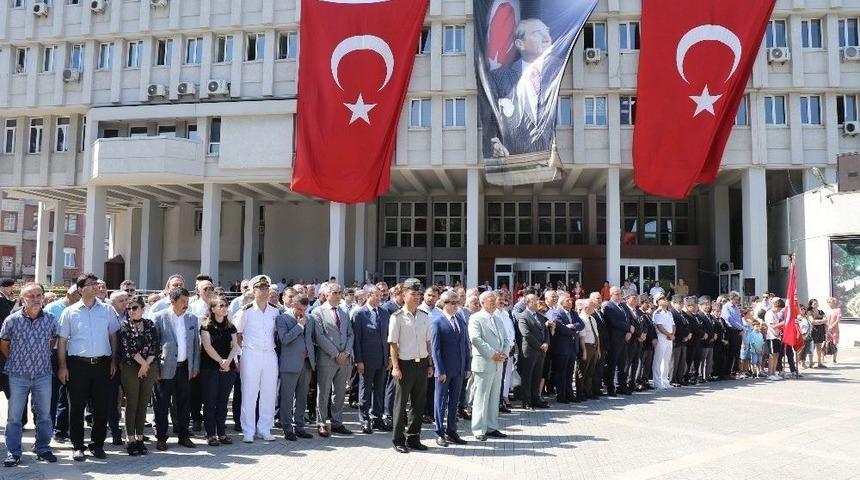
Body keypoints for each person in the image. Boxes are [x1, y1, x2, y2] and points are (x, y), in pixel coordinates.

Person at [57, 273, 119, 462]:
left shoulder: (107, 310)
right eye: (91, 284)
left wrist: (113, 361)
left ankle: (97, 444)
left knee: (101, 407)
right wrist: (62, 367)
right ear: (80, 289)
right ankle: (78, 446)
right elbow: (62, 341)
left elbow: (113, 337)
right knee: (76, 407)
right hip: (77, 366)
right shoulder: (70, 312)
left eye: (96, 283)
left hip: (102, 364)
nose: (95, 286)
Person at [482, 18, 560, 158]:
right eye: (537, 33)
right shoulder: (499, 78)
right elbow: (490, 118)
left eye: (547, 31)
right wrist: (494, 144)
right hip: (515, 160)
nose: (546, 38)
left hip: (554, 158)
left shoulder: (560, 69)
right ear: (520, 44)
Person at [1, 283, 57, 466]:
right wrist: (16, 359)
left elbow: (53, 340)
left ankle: (43, 448)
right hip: (17, 375)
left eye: (38, 295)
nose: (35, 299)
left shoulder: (50, 319)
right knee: (14, 417)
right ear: (22, 299)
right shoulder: (12, 320)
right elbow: (4, 344)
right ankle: (14, 452)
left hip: (43, 374)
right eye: (31, 296)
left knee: (44, 415)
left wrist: (40, 355)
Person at [152, 287, 200, 450]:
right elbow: (154, 346)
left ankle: (184, 436)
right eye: (183, 301)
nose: (186, 305)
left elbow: (196, 345)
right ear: (173, 301)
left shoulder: (192, 318)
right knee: (162, 404)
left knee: (184, 404)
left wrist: (194, 366)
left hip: (185, 367)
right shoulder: (159, 317)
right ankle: (161, 437)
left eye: (188, 301)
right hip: (165, 368)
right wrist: (155, 369)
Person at [388, 278, 432, 453]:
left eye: (418, 294)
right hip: (404, 365)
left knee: (418, 404)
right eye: (413, 294)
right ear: (404, 295)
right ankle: (398, 439)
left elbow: (427, 342)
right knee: (400, 404)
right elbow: (393, 344)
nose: (416, 297)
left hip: (421, 363)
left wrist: (430, 364)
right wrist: (395, 367)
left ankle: (413, 438)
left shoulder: (424, 316)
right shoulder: (397, 317)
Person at [235, 275, 280, 443]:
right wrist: (238, 357)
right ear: (254, 291)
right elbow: (237, 334)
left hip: (269, 353)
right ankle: (248, 430)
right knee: (249, 392)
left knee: (269, 392)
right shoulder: (246, 311)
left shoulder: (275, 310)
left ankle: (264, 428)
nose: (265, 291)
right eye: (261, 288)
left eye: (267, 288)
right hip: (251, 353)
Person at [116, 296, 159, 456]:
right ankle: (130, 438)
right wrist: (143, 365)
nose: (131, 311)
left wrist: (146, 365)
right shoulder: (125, 325)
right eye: (129, 308)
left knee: (143, 403)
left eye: (134, 308)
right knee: (132, 403)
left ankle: (140, 437)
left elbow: (155, 346)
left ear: (142, 308)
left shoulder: (150, 324)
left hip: (149, 366)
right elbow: (129, 348)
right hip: (131, 367)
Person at [311, 282, 355, 438]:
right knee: (324, 392)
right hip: (328, 358)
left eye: (339, 292)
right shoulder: (318, 312)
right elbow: (319, 336)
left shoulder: (343, 312)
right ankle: (322, 422)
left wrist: (346, 352)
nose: (338, 295)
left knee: (340, 392)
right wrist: (336, 354)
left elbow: (350, 334)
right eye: (334, 293)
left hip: (344, 358)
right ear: (326, 294)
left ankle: (337, 422)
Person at [428, 290, 470, 447]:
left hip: (459, 369)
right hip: (444, 370)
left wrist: (467, 366)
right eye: (453, 303)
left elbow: (465, 345)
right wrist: (440, 370)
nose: (456, 306)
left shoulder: (460, 319)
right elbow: (436, 349)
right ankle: (439, 432)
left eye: (457, 303)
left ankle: (452, 431)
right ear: (444, 304)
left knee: (454, 402)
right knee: (440, 401)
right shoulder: (437, 321)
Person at [467, 290, 510, 441]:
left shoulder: (497, 319)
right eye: (490, 300)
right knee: (481, 397)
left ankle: (492, 427)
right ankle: (479, 429)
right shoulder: (475, 318)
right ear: (482, 302)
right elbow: (476, 339)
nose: (494, 302)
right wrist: (492, 354)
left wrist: (504, 353)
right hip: (484, 362)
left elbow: (506, 339)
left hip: (498, 363)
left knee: (494, 396)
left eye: (494, 300)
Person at [200, 298, 240, 446]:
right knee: (210, 402)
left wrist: (228, 361)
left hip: (228, 368)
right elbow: (207, 347)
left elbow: (235, 346)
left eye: (226, 305)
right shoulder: (206, 326)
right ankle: (211, 434)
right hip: (210, 368)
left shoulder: (231, 326)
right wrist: (221, 361)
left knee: (222, 402)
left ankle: (222, 432)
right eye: (221, 305)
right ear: (213, 309)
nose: (224, 308)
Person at [351, 286, 390, 434]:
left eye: (381, 295)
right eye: (377, 295)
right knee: (365, 391)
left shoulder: (384, 313)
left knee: (379, 391)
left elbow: (388, 337)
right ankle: (364, 420)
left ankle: (377, 418)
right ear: (369, 296)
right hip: (366, 360)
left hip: (382, 359)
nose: (380, 298)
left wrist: (389, 357)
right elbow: (357, 340)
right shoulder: (360, 314)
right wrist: (359, 360)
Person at [276, 294, 315, 441]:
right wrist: (299, 326)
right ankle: (287, 428)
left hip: (306, 363)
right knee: (287, 398)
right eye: (299, 309)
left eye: (304, 309)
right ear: (292, 304)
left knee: (302, 396)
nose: (301, 312)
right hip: (290, 364)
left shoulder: (309, 318)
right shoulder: (282, 318)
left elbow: (310, 339)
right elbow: (284, 339)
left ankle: (300, 427)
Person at [514, 293, 549, 408]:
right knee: (527, 377)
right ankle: (526, 401)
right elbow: (526, 334)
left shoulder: (540, 316)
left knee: (537, 376)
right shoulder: (523, 316)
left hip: (541, 352)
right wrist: (540, 345)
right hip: (529, 351)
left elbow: (545, 331)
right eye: (534, 301)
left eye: (537, 300)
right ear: (527, 303)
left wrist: (546, 343)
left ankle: (535, 399)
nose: (537, 302)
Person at [547, 291, 582, 403]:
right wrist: (573, 330)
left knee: (569, 372)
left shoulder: (573, 313)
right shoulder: (557, 313)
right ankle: (561, 395)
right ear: (562, 302)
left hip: (572, 347)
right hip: (561, 348)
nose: (571, 301)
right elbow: (561, 329)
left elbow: (581, 324)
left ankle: (569, 393)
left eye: (571, 300)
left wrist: (573, 326)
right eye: (568, 300)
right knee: (561, 372)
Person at [603, 287, 634, 396]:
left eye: (620, 293)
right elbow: (614, 322)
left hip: (624, 339)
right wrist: (628, 328)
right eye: (617, 294)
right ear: (611, 294)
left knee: (622, 364)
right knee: (612, 364)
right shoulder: (608, 306)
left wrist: (630, 330)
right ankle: (610, 388)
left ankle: (621, 386)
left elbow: (630, 318)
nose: (620, 295)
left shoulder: (623, 305)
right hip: (614, 339)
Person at [574, 299, 599, 400]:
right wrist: (584, 351)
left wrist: (598, 349)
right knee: (582, 371)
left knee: (590, 371)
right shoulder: (581, 318)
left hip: (594, 346)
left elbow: (596, 334)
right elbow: (582, 337)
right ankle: (580, 393)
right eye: (592, 306)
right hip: (586, 346)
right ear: (586, 307)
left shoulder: (592, 318)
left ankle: (588, 392)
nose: (594, 308)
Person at [651, 293, 674, 389]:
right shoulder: (657, 313)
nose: (665, 300)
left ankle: (665, 380)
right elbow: (660, 326)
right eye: (662, 299)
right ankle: (657, 381)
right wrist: (669, 334)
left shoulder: (669, 313)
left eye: (665, 299)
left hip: (669, 338)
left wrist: (672, 334)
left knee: (666, 360)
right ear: (658, 302)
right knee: (658, 360)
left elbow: (673, 325)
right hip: (661, 337)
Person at [808, 299, 827, 368]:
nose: (816, 304)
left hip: (821, 331)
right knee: (812, 347)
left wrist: (818, 322)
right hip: (813, 331)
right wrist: (821, 321)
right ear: (811, 305)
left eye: (817, 303)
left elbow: (826, 320)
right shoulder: (809, 312)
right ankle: (811, 363)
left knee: (819, 348)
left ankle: (819, 362)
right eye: (814, 303)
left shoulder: (821, 312)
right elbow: (812, 321)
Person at [824, 297, 842, 364]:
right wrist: (826, 326)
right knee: (826, 343)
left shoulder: (838, 310)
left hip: (835, 329)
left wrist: (832, 326)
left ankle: (834, 359)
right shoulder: (827, 310)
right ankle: (824, 358)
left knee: (834, 344)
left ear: (834, 302)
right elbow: (825, 319)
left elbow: (838, 320)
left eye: (830, 302)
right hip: (827, 329)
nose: (829, 303)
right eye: (828, 302)